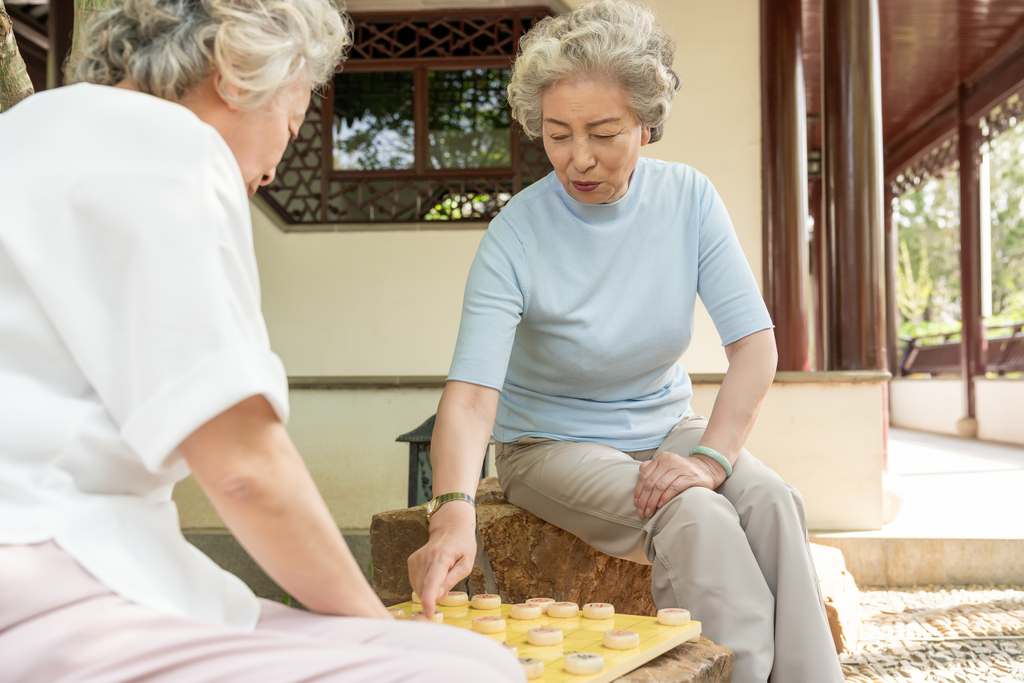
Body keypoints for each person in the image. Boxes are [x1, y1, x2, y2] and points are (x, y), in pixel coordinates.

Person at [0, 0, 523, 680]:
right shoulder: (171, 146)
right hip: (51, 576)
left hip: (61, 563)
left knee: (458, 650)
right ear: (234, 71)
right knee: (465, 670)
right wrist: (377, 632)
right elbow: (246, 469)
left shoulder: (27, 127)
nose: (275, 169)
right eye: (292, 122)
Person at [407, 2, 844, 682]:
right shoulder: (516, 234)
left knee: (772, 501)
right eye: (557, 135)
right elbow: (468, 399)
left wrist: (709, 456)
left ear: (646, 122)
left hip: (664, 425)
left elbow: (755, 347)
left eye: (603, 132)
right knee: (694, 515)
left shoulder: (689, 199)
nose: (578, 158)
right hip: (550, 445)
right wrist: (452, 512)